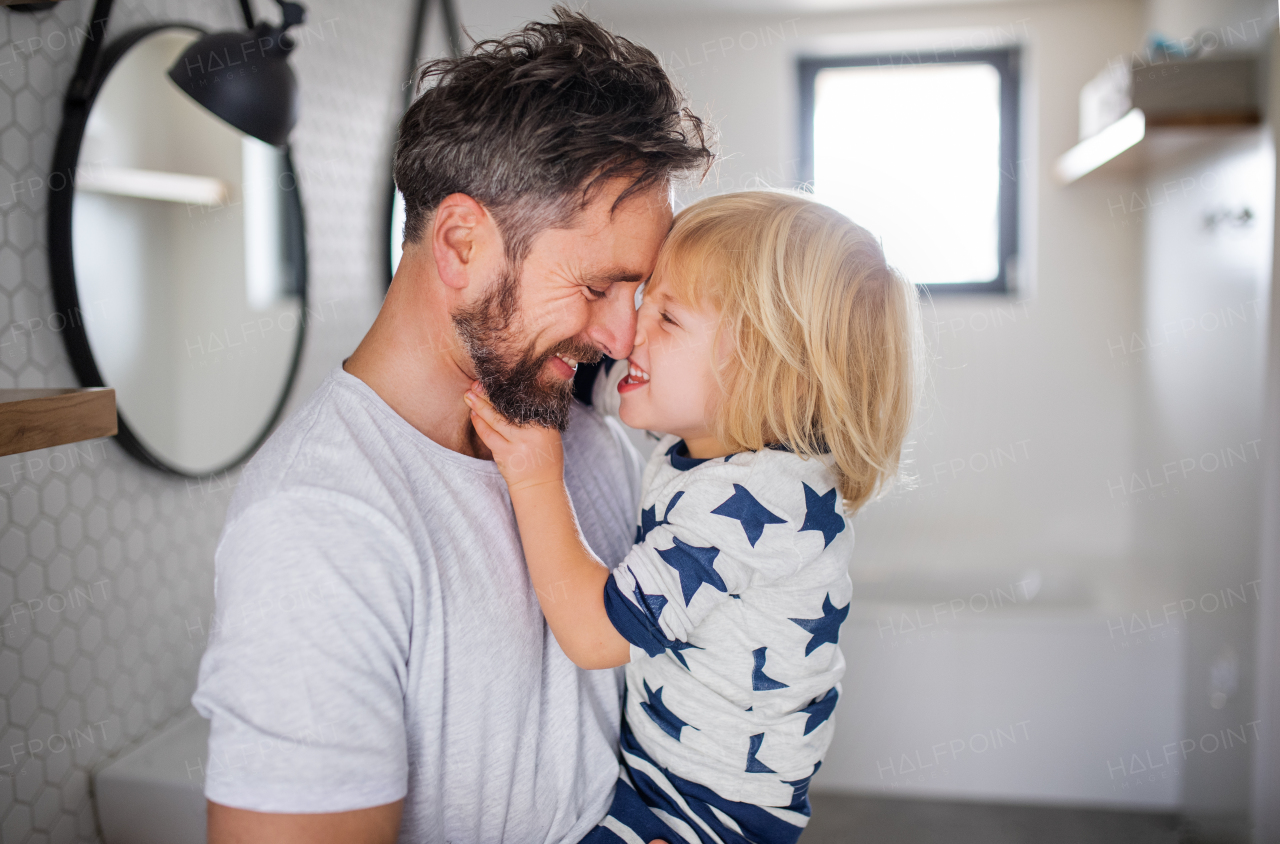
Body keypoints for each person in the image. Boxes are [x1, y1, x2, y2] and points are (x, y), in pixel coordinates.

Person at [191, 9, 712, 843]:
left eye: (639, 294)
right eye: (596, 289)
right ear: (463, 243)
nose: (622, 339)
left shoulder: (591, 447)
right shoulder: (318, 526)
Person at [465, 191, 922, 843]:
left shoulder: (752, 510)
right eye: (643, 298)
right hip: (684, 782)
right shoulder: (727, 441)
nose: (628, 332)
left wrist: (534, 474)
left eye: (668, 319)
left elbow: (595, 635)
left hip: (703, 816)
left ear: (769, 371)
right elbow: (590, 372)